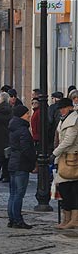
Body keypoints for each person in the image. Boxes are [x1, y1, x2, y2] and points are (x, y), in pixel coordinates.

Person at [7, 105, 36, 229]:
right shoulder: (23, 130)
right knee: (19, 193)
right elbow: (26, 149)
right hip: (21, 164)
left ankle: (12, 219)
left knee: (13, 193)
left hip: (13, 163)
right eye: (26, 114)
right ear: (21, 115)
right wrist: (33, 161)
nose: (29, 116)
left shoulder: (13, 127)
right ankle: (18, 220)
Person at [51, 98, 78, 229]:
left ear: (69, 107)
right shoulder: (64, 119)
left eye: (63, 108)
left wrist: (54, 153)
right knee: (64, 188)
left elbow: (69, 140)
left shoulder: (74, 120)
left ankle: (73, 219)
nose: (61, 110)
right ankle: (67, 218)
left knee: (72, 189)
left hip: (71, 158)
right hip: (63, 157)